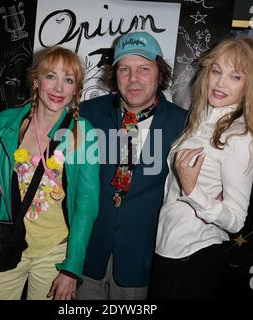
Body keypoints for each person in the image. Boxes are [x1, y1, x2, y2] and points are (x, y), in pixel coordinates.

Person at [149, 37, 253, 299]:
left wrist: (192, 189)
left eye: (235, 76)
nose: (220, 82)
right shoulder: (201, 119)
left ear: (249, 85)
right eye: (216, 70)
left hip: (194, 254)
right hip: (168, 246)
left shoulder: (240, 136)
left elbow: (236, 220)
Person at [0, 46, 100, 300]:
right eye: (51, 76)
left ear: (76, 89)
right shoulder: (4, 123)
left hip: (55, 253)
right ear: (36, 80)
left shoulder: (84, 133)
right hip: (3, 242)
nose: (59, 88)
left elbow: (87, 207)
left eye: (68, 80)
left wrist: (71, 269)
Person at [77, 31, 188, 299]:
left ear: (159, 73)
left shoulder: (183, 123)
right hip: (87, 254)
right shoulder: (87, 113)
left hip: (142, 260)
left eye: (144, 68)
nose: (133, 78)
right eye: (124, 69)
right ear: (114, 75)